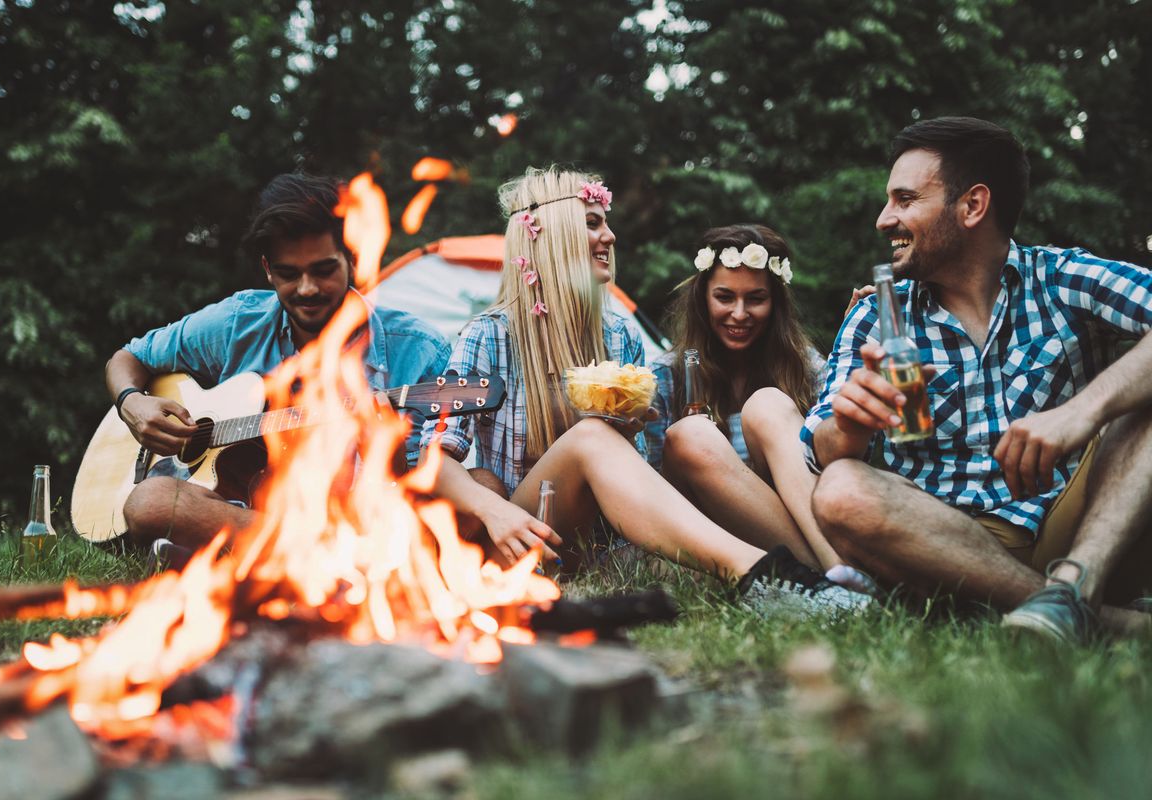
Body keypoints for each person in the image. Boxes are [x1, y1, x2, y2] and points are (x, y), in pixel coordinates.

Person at [419, 166, 868, 612]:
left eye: (606, 223)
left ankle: (831, 584)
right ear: (553, 235)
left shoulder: (619, 335)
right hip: (525, 539)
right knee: (591, 438)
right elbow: (433, 457)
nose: (610, 236)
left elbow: (641, 475)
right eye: (593, 223)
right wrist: (492, 510)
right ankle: (763, 576)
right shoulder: (488, 334)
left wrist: (632, 432)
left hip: (607, 551)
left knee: (669, 434)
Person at [803, 116, 1152, 642]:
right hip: (942, 542)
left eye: (904, 199)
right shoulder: (877, 315)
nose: (883, 219)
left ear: (972, 206)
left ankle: (1076, 584)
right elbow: (818, 449)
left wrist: (1083, 411)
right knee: (840, 490)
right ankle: (1089, 615)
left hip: (1078, 523)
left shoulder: (1060, 277)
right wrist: (849, 425)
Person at [109, 173, 450, 552]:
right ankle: (311, 554)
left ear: (352, 259)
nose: (307, 289)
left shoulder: (419, 350)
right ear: (268, 268)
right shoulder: (237, 321)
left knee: (469, 495)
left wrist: (389, 453)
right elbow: (127, 358)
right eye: (289, 274)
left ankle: (252, 556)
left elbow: (422, 487)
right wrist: (133, 404)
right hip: (237, 509)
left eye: (323, 270)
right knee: (149, 501)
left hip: (356, 517)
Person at [644, 224, 872, 591]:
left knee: (768, 403)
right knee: (691, 433)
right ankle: (832, 578)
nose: (739, 313)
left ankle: (835, 576)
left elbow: (838, 461)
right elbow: (651, 493)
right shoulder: (665, 375)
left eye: (755, 298)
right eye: (724, 297)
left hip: (787, 526)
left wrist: (850, 361)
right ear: (703, 299)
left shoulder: (806, 368)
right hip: (700, 536)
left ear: (776, 302)